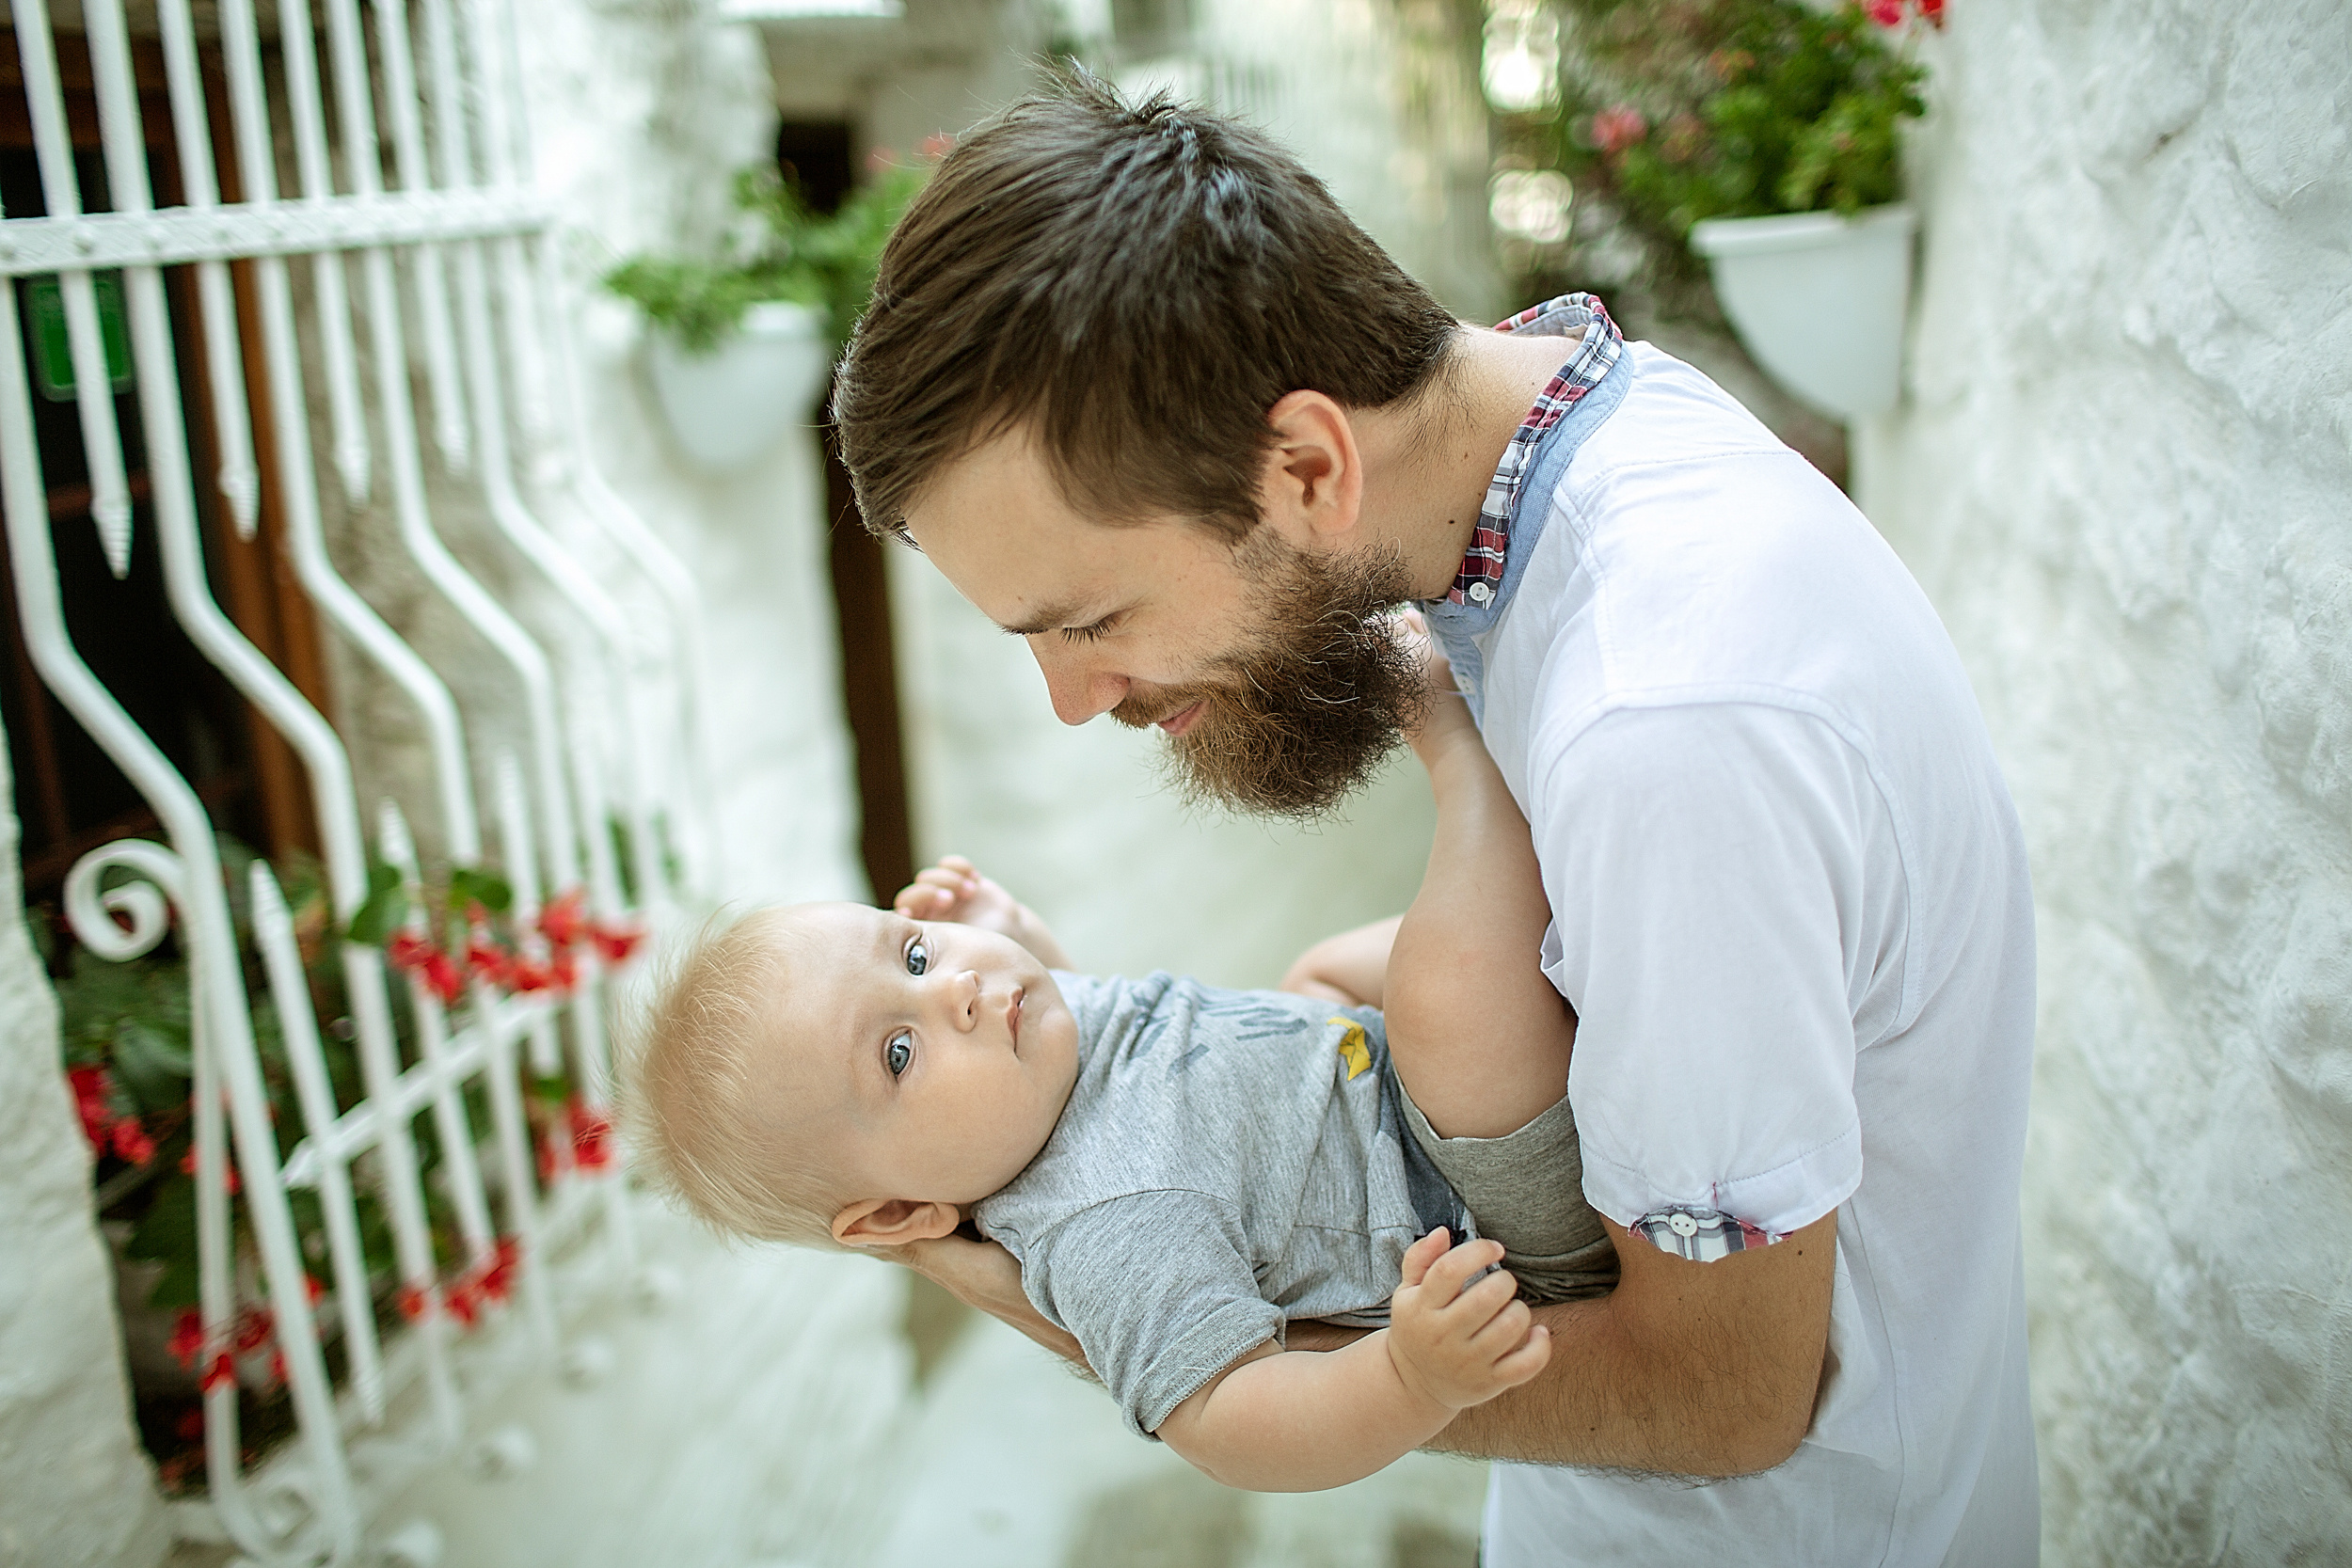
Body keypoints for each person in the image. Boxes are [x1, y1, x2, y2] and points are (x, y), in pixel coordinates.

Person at [830, 74, 2039, 1567]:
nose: (1077, 699)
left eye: (1095, 616)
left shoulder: (1665, 727)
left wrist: (1149, 1325)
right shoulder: (1577, 439)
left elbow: (1727, 1396)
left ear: (1313, 466)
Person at [623, 640, 1619, 1491]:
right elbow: (1232, 1422)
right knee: (1445, 993)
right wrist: (1413, 1375)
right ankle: (1464, 768)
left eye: (913, 953)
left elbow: (1102, 1036)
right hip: (1474, 1197)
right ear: (896, 1216)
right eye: (897, 1048)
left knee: (1320, 972)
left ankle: (1533, 941)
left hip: (1368, 1074)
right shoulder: (1107, 1233)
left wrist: (1014, 934)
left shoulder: (1021, 1073)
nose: (956, 988)